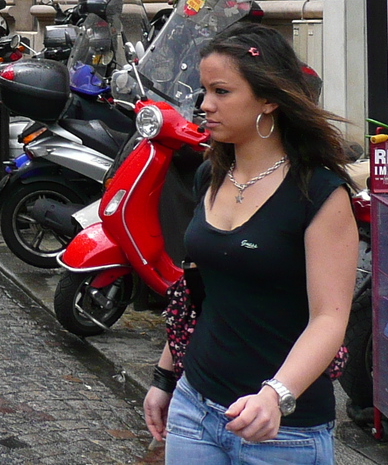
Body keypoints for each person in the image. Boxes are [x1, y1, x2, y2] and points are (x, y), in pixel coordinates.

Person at [143, 23, 359, 464]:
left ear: (268, 98)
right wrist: (166, 377)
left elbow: (329, 320)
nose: (205, 105)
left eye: (221, 91)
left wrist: (275, 396)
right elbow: (198, 293)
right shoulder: (210, 174)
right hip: (194, 407)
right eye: (204, 91)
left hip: (280, 430)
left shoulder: (320, 194)